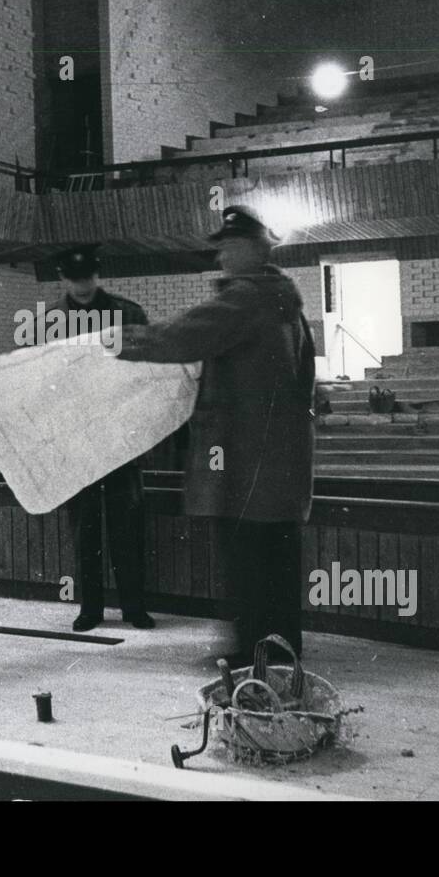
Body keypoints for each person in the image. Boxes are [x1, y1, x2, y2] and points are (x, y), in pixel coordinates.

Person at [116, 207, 316, 665]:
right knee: (277, 570)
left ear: (255, 247)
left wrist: (108, 342)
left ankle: (250, 662)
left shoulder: (248, 299)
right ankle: (280, 657)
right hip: (279, 472)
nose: (221, 254)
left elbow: (181, 337)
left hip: (244, 469)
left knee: (246, 570)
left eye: (230, 245)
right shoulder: (286, 303)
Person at [42, 244, 154, 631]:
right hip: (77, 439)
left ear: (97, 274)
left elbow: (146, 371)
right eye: (75, 279)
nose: (83, 285)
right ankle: (90, 608)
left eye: (87, 277)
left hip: (120, 435)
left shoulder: (127, 313)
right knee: (84, 528)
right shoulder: (50, 320)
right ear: (63, 278)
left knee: (128, 526)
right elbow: (41, 379)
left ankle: (134, 606)